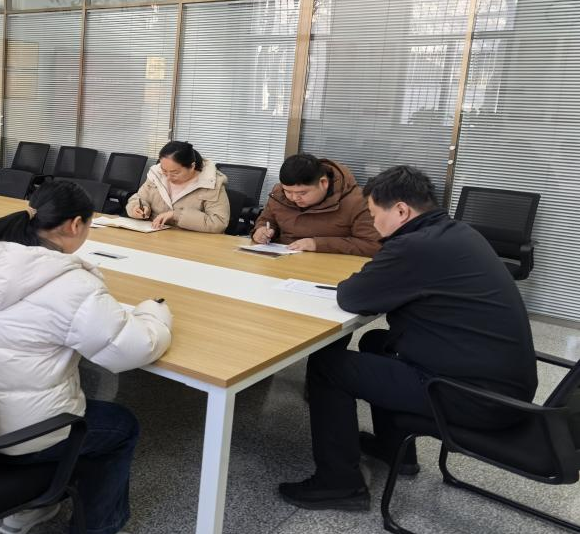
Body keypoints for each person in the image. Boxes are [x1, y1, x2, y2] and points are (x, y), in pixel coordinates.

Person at [278, 166, 538, 510]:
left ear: (401, 210)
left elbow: (353, 296)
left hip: (473, 397)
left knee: (329, 365)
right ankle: (395, 449)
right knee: (376, 342)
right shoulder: (456, 232)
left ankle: (339, 483)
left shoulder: (415, 246)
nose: (373, 224)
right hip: (503, 386)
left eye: (374, 215)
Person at [0, 181, 173, 534]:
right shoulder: (69, 283)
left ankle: (27, 507)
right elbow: (131, 349)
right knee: (120, 426)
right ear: (75, 225)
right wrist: (154, 314)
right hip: (22, 435)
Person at [251, 153, 381, 256]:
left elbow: (372, 245)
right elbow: (267, 220)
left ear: (323, 183)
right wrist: (261, 231)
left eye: (302, 193)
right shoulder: (279, 193)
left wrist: (318, 244)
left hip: (329, 264)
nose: (294, 198)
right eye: (288, 191)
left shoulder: (358, 201)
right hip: (282, 258)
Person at [124, 141, 229, 233]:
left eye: (175, 173)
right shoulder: (156, 174)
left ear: (192, 166)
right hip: (154, 236)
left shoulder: (211, 183)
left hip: (191, 241)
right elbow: (139, 198)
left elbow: (218, 223)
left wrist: (176, 215)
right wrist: (136, 207)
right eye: (164, 171)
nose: (168, 177)